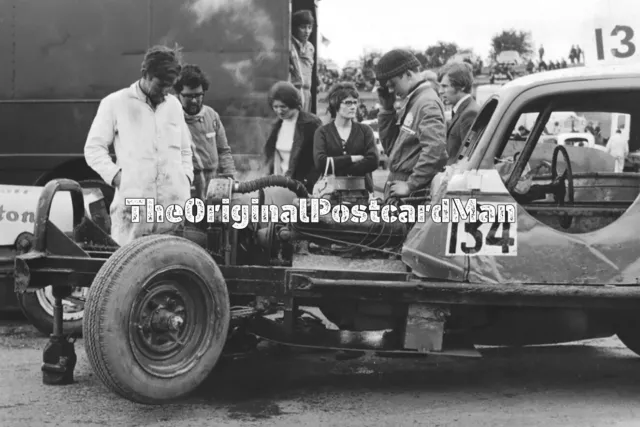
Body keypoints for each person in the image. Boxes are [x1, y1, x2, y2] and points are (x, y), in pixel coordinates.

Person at [84, 45, 194, 246]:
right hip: (132, 210)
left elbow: (185, 150)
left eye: (170, 85)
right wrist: (119, 179)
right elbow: (93, 149)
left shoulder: (174, 106)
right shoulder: (115, 103)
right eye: (161, 85)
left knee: (170, 267)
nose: (165, 92)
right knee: (128, 268)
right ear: (145, 74)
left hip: (172, 208)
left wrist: (185, 179)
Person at [374, 49, 448, 200]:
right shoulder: (414, 101)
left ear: (408, 74)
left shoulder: (426, 103)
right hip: (401, 185)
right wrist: (387, 110)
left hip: (411, 193)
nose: (391, 90)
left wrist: (411, 184)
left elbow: (435, 149)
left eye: (393, 84)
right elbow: (393, 149)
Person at [173, 64, 236, 199]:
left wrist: (230, 178)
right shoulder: (172, 119)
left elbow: (224, 151)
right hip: (188, 186)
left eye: (199, 95)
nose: (194, 100)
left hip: (214, 184)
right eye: (188, 96)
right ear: (178, 94)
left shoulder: (212, 115)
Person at [313, 82, 379, 194]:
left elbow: (373, 161)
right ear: (335, 104)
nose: (353, 107)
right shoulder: (322, 132)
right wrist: (352, 159)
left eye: (355, 102)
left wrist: (337, 166)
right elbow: (320, 163)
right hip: (329, 194)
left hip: (362, 193)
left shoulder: (365, 130)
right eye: (348, 103)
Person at [264, 81, 323, 193]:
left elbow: (320, 159)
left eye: (283, 107)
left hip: (303, 188)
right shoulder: (276, 125)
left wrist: (307, 184)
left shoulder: (311, 124)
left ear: (293, 104)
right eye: (275, 107)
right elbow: (271, 158)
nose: (279, 111)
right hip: (279, 186)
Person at [438, 62, 480, 164]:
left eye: (444, 86)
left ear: (462, 86)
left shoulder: (470, 114)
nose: (440, 91)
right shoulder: (463, 110)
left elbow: (467, 158)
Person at [289, 10, 317, 112]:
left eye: (309, 27)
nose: (307, 31)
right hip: (293, 93)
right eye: (303, 27)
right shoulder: (289, 45)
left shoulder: (310, 48)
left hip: (307, 93)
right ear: (295, 28)